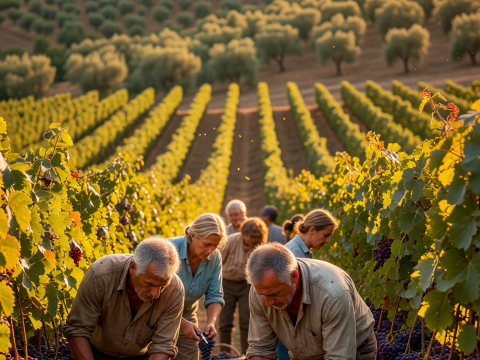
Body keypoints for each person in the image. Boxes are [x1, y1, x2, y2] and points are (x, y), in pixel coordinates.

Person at [245, 243, 376, 360]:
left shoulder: (332, 294)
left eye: (275, 294)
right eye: (262, 294)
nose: (268, 303)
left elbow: (339, 356)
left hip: (354, 350)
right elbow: (261, 349)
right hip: (304, 353)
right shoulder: (262, 289)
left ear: (294, 277)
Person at [64, 237, 184, 360]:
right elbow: (77, 329)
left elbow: (163, 346)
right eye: (150, 284)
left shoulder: (174, 291)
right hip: (95, 353)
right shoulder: (100, 276)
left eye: (162, 287)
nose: (156, 294)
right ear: (133, 268)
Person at [168, 213, 227, 360]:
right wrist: (180, 322)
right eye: (207, 244)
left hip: (187, 314)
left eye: (215, 245)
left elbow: (215, 295)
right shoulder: (169, 250)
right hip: (156, 314)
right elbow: (151, 296)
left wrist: (211, 323)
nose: (210, 251)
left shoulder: (214, 258)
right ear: (193, 235)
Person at [218, 217, 268, 355]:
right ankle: (225, 354)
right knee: (225, 322)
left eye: (254, 239)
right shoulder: (231, 241)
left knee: (247, 322)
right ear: (243, 233)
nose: (251, 242)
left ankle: (246, 355)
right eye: (248, 238)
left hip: (247, 286)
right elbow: (219, 262)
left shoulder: (261, 247)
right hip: (227, 283)